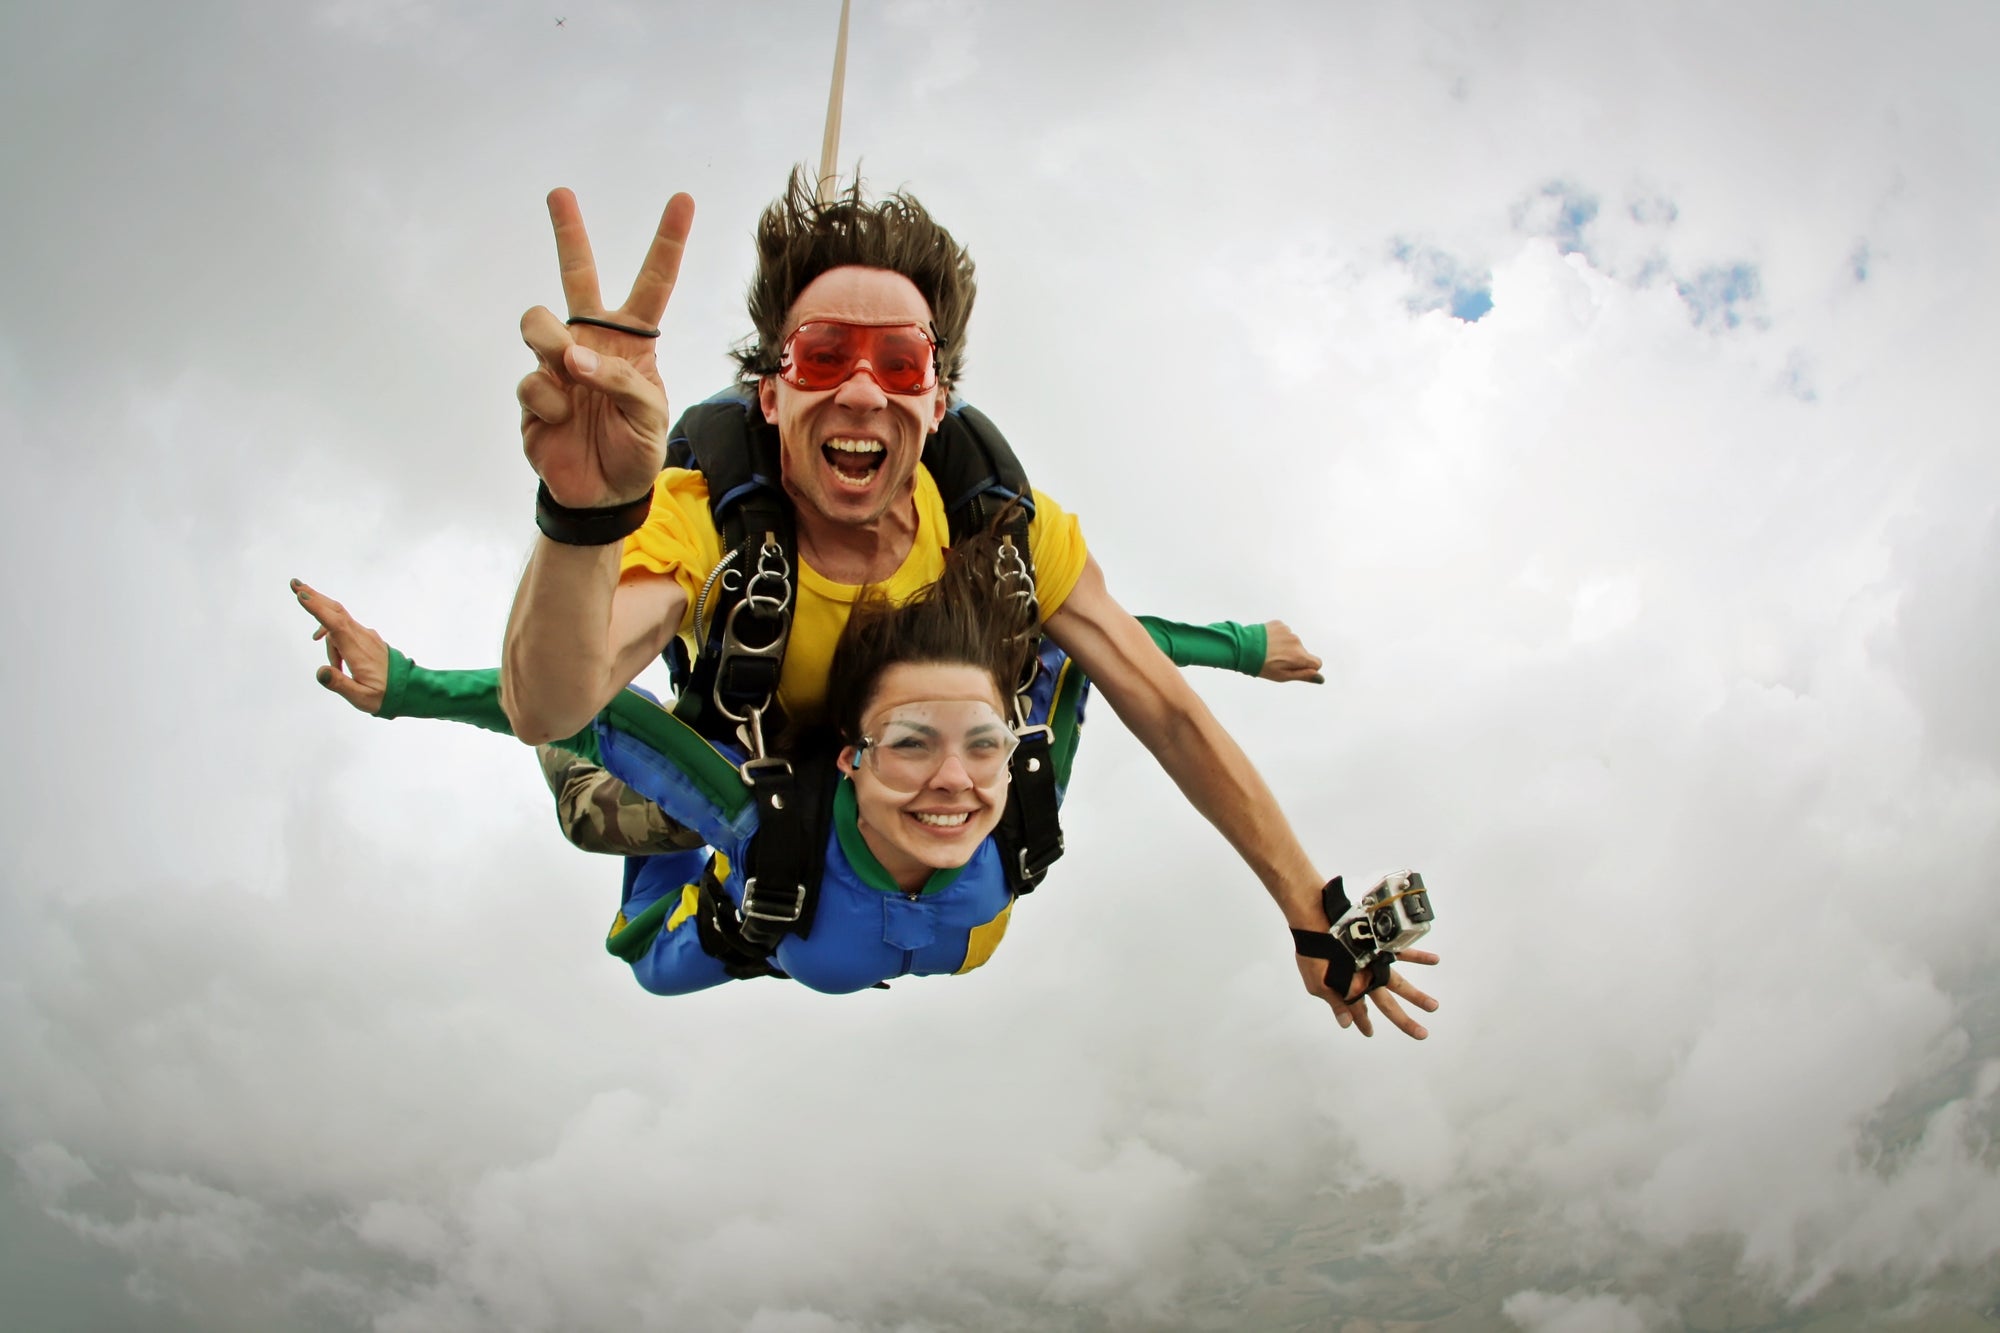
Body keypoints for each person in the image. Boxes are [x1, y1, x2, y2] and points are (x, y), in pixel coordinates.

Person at [499, 173, 1437, 1035]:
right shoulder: (702, 520)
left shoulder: (1003, 535)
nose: (862, 387)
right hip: (758, 764)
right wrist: (587, 515)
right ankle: (585, 696)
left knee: (1044, 664)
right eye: (823, 355)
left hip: (894, 774)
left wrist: (1311, 907)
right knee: (595, 799)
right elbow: (554, 701)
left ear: (938, 400)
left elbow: (1162, 706)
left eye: (900, 363)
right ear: (771, 395)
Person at [291, 531, 1424, 996]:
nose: (956, 783)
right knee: (613, 809)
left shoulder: (1012, 804)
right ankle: (715, 667)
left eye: (980, 746)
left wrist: (1242, 649)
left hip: (807, 886)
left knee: (999, 709)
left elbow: (1097, 667)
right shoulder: (761, 827)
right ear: (855, 756)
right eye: (913, 750)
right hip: (716, 871)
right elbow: (581, 711)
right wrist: (402, 689)